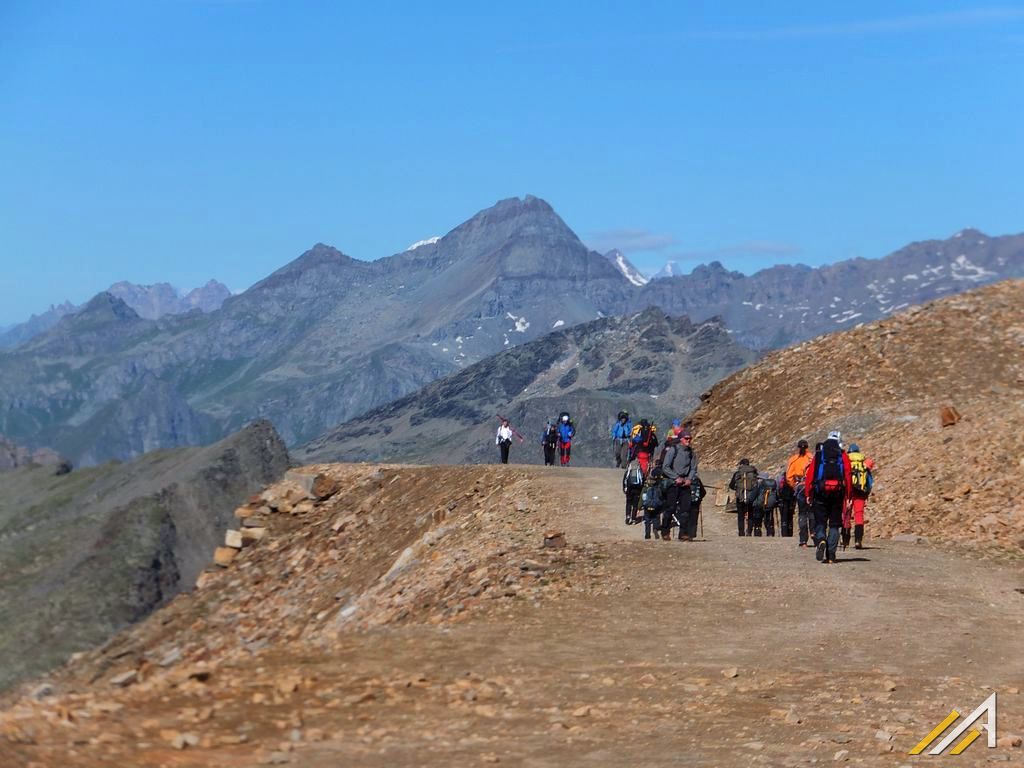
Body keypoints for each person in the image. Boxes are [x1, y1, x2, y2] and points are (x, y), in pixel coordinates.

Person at [805, 431, 852, 564]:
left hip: (820, 492)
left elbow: (810, 475)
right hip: (838, 494)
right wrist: (848, 496)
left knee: (820, 522)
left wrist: (808, 493)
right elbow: (848, 475)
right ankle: (831, 556)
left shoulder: (819, 455)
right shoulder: (842, 455)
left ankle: (821, 540)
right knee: (834, 525)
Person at [659, 428, 698, 541]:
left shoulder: (691, 452)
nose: (689, 440)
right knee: (670, 508)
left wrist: (689, 479)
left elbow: (693, 468)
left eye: (690, 438)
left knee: (686, 510)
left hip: (685, 484)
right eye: (686, 438)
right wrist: (675, 477)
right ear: (681, 439)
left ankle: (683, 533)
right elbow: (665, 467)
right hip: (673, 484)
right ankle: (665, 531)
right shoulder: (673, 450)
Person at [845, 443, 874, 549]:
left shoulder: (846, 461)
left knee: (846, 514)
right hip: (860, 492)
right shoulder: (864, 462)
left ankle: (845, 540)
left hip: (848, 492)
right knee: (859, 515)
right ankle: (858, 540)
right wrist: (867, 493)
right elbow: (870, 481)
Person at [785, 440, 813, 547]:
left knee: (802, 513)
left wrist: (794, 486)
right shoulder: (811, 457)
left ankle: (803, 540)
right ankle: (814, 533)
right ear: (807, 447)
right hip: (810, 487)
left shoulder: (793, 459)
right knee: (811, 511)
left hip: (800, 487)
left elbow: (788, 477)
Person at [729, 458, 759, 536]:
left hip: (740, 496)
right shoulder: (753, 472)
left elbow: (731, 485)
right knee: (750, 514)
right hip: (751, 496)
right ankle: (749, 532)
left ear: (741, 464)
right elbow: (756, 485)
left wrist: (737, 489)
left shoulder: (738, 473)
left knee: (740, 515)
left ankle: (741, 533)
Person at [640, 467, 667, 540]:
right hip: (656, 505)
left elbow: (642, 497)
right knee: (655, 518)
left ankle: (647, 534)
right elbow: (661, 496)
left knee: (647, 520)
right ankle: (655, 528)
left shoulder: (646, 486)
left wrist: (639, 507)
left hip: (647, 506)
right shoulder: (658, 486)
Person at [622, 457, 644, 525]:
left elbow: (624, 480)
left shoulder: (628, 471)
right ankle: (634, 518)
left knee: (628, 503)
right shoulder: (640, 471)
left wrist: (624, 489)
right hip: (637, 490)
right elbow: (642, 481)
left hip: (629, 489)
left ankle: (628, 517)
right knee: (635, 505)